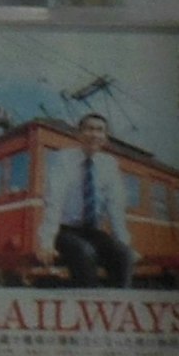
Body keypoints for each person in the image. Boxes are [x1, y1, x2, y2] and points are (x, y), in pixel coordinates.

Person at [51, 113, 134, 288]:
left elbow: (115, 206)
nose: (94, 134)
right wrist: (45, 242)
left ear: (105, 137)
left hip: (92, 231)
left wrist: (123, 241)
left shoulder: (109, 164)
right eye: (89, 129)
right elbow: (54, 199)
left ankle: (118, 305)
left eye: (99, 130)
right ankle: (88, 302)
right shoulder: (64, 158)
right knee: (84, 252)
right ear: (79, 134)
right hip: (65, 231)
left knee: (124, 255)